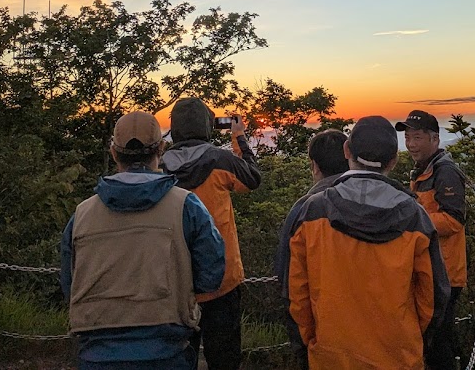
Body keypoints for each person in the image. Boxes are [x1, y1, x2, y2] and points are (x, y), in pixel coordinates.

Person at [60, 110, 225, 370]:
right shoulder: (187, 206)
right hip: (168, 352)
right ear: (161, 148)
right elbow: (211, 277)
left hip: (96, 353)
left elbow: (69, 286)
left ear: (114, 153)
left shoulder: (81, 214)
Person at [286, 116, 450, 370]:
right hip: (398, 356)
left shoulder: (313, 211)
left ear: (347, 150)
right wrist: (415, 343)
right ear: (394, 161)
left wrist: (312, 342)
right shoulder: (415, 217)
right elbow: (433, 296)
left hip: (331, 355)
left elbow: (297, 292)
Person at [160, 98, 261, 370]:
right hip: (222, 280)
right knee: (225, 359)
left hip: (173, 281)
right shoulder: (221, 159)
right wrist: (238, 136)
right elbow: (252, 178)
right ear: (207, 126)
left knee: (177, 359)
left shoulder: (158, 168)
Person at [396, 110, 468, 370]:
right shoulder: (423, 170)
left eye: (417, 137)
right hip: (432, 270)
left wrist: (415, 220)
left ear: (435, 139)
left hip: (446, 274)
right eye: (407, 138)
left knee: (437, 342)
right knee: (437, 337)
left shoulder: (445, 172)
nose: (411, 144)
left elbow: (454, 221)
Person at [273, 129, 349, 368]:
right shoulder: (386, 202)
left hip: (321, 334)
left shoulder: (304, 209)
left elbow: (288, 279)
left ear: (314, 166)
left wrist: (303, 340)